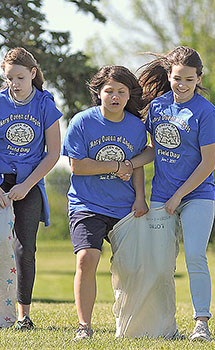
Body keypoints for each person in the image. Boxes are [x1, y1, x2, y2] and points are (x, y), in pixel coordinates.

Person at [129, 46, 215, 342]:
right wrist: (128, 164)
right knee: (159, 262)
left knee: (195, 256)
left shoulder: (207, 112)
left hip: (197, 195)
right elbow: (153, 150)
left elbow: (209, 164)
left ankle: (201, 324)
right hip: (162, 195)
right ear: (169, 75)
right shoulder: (157, 107)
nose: (181, 85)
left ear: (199, 79)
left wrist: (179, 195)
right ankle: (163, 324)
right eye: (177, 78)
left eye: (188, 80)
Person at [0, 47, 62, 330]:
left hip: (28, 183)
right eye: (10, 78)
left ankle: (24, 316)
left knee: (25, 248)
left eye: (20, 77)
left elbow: (54, 153)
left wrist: (26, 185)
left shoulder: (46, 104)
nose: (15, 84)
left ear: (33, 74)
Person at [61, 65, 148, 340]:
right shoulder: (82, 122)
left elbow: (139, 164)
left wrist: (140, 198)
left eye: (121, 92)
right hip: (87, 204)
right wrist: (117, 164)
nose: (115, 96)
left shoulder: (136, 126)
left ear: (128, 95)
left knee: (131, 267)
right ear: (98, 92)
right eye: (109, 91)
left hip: (124, 206)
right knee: (87, 259)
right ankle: (84, 326)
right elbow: (78, 167)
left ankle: (133, 324)